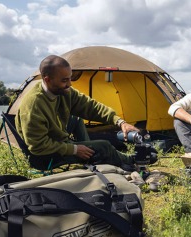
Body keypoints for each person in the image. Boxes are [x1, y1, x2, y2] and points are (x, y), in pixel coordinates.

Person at [15, 55, 147, 170]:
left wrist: (120, 122)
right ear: (47, 79)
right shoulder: (33, 105)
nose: (70, 84)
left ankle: (90, 155)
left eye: (70, 78)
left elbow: (91, 107)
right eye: (64, 80)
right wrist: (74, 150)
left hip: (58, 141)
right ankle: (131, 160)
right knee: (104, 146)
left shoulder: (64, 92)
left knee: (76, 119)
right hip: (45, 156)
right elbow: (38, 147)